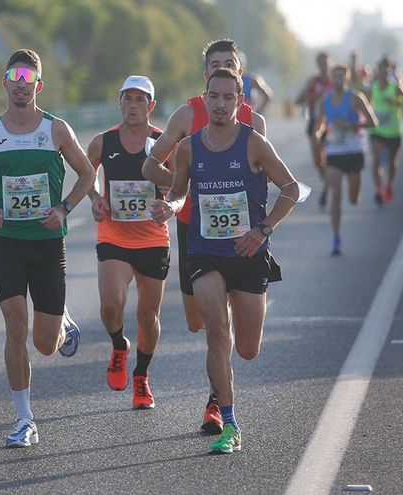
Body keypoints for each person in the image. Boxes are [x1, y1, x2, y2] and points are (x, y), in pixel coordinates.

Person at [151, 68, 302, 454]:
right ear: (204, 99)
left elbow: (290, 188)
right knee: (217, 330)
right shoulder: (189, 147)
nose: (219, 104)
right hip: (205, 250)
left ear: (239, 102)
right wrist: (170, 206)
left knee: (247, 348)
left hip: (249, 252)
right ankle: (230, 424)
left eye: (227, 98)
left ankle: (232, 356)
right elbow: (181, 193)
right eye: (213, 97)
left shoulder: (254, 143)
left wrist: (263, 230)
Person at [0, 49, 96, 448]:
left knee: (43, 342)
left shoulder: (56, 130)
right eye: (14, 75)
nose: (21, 83)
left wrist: (64, 208)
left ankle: (62, 324)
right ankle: (25, 418)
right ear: (4, 83)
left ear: (38, 85)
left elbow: (88, 174)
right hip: (8, 244)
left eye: (29, 77)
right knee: (14, 327)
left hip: (46, 246)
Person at [141, 38, 266, 436]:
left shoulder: (253, 122)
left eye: (229, 63)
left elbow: (264, 178)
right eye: (215, 64)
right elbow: (150, 164)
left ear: (238, 75)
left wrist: (259, 225)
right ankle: (221, 380)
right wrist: (187, 188)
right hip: (194, 227)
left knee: (227, 335)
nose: (222, 68)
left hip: (240, 238)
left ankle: (217, 403)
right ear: (205, 76)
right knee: (200, 322)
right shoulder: (186, 114)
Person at [87, 75, 170, 410]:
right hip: (114, 233)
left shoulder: (164, 142)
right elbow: (84, 172)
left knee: (148, 315)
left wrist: (169, 202)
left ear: (151, 106)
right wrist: (95, 197)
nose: (133, 105)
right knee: (111, 303)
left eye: (140, 100)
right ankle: (118, 344)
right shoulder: (103, 142)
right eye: (128, 99)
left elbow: (183, 182)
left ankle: (142, 377)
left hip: (152, 236)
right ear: (120, 103)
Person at [315, 64, 377, 256]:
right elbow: (320, 124)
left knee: (353, 198)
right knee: (336, 196)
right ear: (331, 79)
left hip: (354, 151)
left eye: (341, 76)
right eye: (335, 76)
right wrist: (319, 137)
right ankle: (336, 239)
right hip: (334, 152)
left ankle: (354, 196)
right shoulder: (325, 100)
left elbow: (372, 122)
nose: (338, 80)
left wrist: (351, 125)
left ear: (347, 79)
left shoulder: (356, 98)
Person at [367, 57, 403, 206]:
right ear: (378, 70)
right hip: (377, 130)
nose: (384, 73)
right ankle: (378, 190)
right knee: (375, 161)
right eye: (382, 70)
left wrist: (396, 102)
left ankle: (389, 183)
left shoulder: (396, 88)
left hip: (394, 131)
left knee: (392, 163)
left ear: (390, 71)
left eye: (387, 70)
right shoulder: (373, 87)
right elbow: (365, 106)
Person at [294, 51, 332, 207]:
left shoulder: (336, 81)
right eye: (320, 62)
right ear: (317, 64)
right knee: (318, 162)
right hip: (315, 121)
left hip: (332, 124)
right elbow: (298, 100)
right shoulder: (313, 82)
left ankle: (328, 188)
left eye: (326, 62)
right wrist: (312, 96)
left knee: (331, 159)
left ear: (330, 62)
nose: (323, 65)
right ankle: (329, 185)